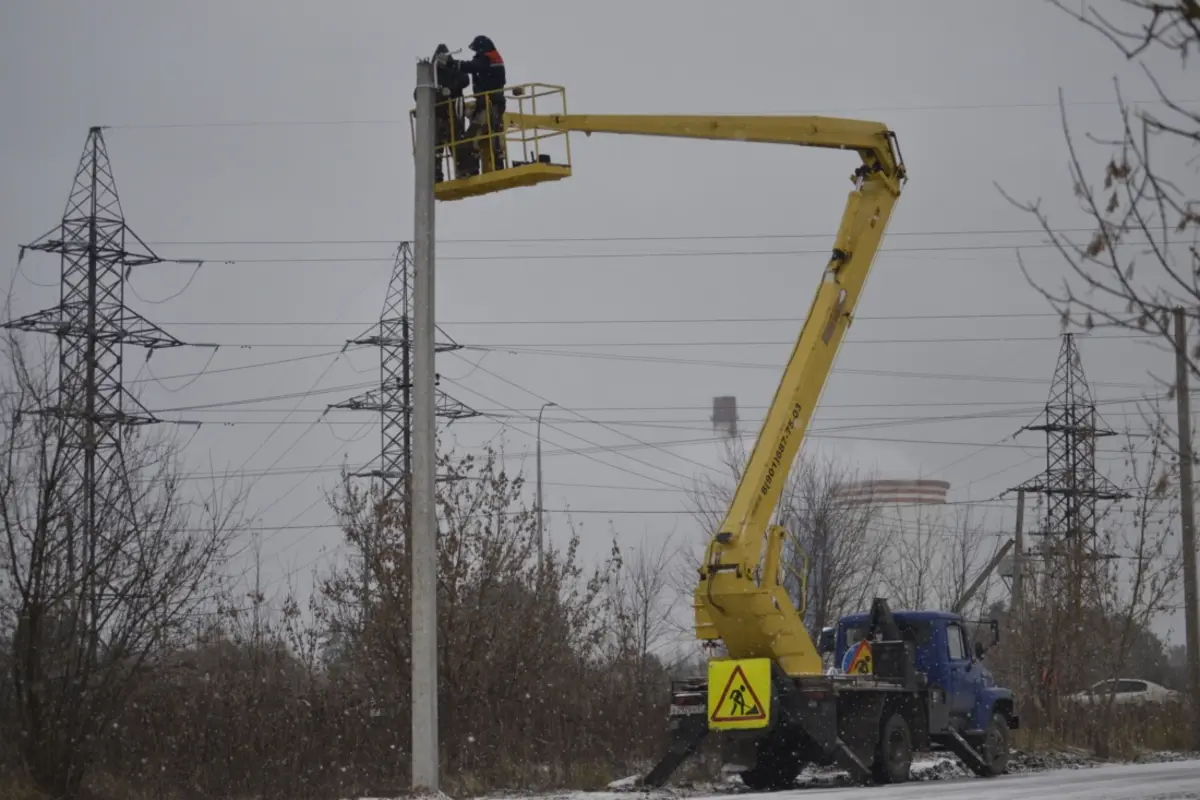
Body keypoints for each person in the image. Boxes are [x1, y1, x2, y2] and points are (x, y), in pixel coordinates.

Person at [460, 35, 507, 172]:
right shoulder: (493, 57)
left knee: (475, 133)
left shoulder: (486, 58)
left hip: (490, 102)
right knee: (495, 131)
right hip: (494, 101)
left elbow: (474, 66)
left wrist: (455, 64)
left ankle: (471, 167)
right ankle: (497, 163)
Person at [431, 44, 473, 180]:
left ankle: (463, 170)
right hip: (438, 115)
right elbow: (418, 93)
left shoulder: (453, 68)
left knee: (457, 143)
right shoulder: (431, 73)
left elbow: (465, 80)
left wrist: (450, 87)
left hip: (453, 112)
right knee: (436, 147)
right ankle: (436, 174)